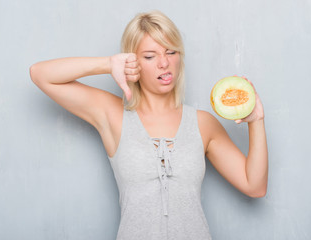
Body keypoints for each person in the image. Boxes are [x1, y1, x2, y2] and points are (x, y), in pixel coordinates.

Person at [29, 10, 268, 240]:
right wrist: (107, 64)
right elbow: (40, 74)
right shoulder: (112, 115)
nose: (164, 63)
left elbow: (254, 185)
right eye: (150, 56)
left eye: (171, 52)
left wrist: (256, 120)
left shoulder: (203, 123)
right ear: (133, 63)